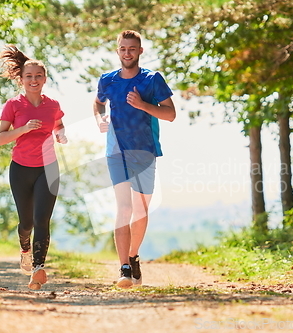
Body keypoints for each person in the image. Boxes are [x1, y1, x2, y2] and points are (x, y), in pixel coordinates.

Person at [93, 30, 176, 288]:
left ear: (140, 51)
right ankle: (124, 268)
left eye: (132, 49)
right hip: (116, 151)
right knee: (124, 209)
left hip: (145, 151)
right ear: (117, 51)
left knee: (140, 211)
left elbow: (170, 114)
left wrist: (143, 105)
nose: (127, 53)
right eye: (123, 49)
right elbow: (97, 103)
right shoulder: (107, 80)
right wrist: (99, 118)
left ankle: (133, 255)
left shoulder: (152, 80)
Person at [0, 45, 67, 290]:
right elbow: (1, 138)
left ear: (44, 79)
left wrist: (61, 134)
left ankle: (38, 268)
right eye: (29, 76)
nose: (34, 80)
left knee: (42, 219)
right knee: (26, 222)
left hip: (48, 168)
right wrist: (24, 128)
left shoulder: (53, 104)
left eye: (38, 76)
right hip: (21, 169)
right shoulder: (13, 105)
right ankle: (24, 247)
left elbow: (57, 123)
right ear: (21, 79)